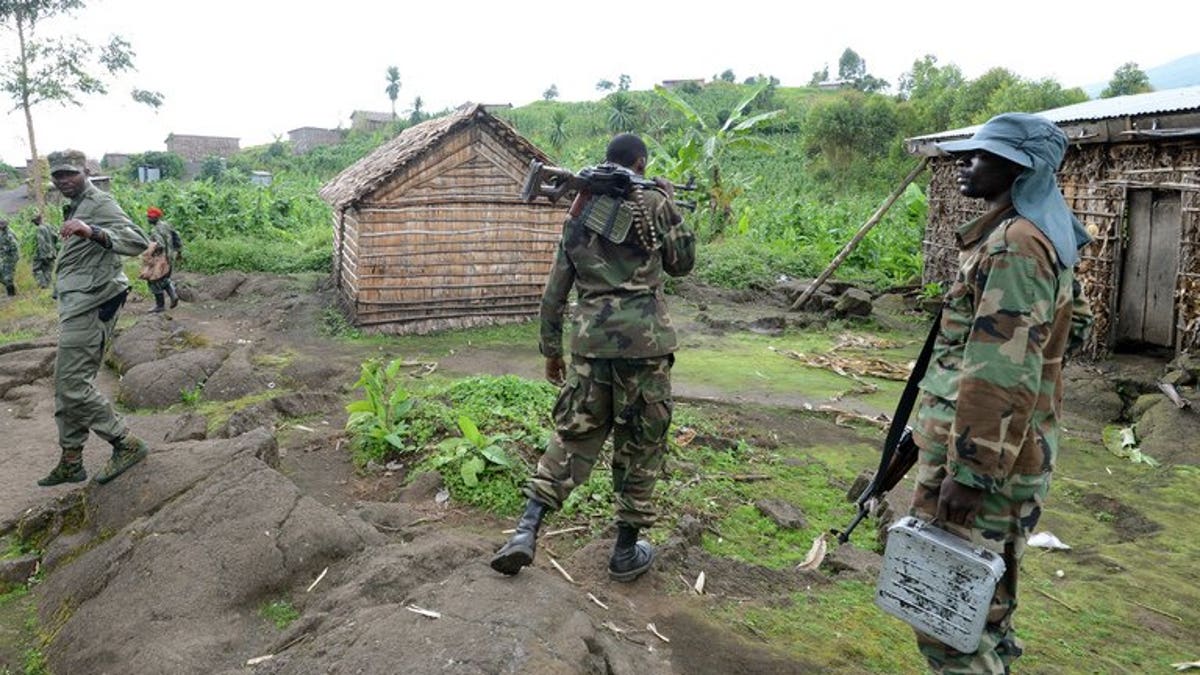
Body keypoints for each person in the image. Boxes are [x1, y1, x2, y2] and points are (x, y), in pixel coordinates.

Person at [909, 113, 1094, 672]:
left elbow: (999, 371)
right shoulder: (1044, 233)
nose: (966, 162)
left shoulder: (1017, 242)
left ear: (1023, 167)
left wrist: (971, 472)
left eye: (982, 154)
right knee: (986, 610)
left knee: (946, 618)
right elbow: (1074, 325)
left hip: (987, 465)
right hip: (1018, 450)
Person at [490, 133, 695, 582]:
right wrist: (670, 202)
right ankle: (624, 553)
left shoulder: (578, 208)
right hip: (645, 347)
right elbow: (683, 263)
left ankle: (525, 532)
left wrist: (551, 350)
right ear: (640, 163)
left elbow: (554, 291)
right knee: (642, 444)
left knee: (572, 435)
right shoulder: (655, 203)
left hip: (589, 347)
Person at [38, 149, 151, 487]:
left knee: (72, 386)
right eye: (58, 175)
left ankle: (125, 443)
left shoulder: (99, 203)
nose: (64, 180)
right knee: (66, 385)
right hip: (76, 304)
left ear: (85, 171)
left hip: (93, 303)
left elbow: (137, 241)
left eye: (70, 173)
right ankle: (71, 460)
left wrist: (92, 231)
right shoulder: (74, 205)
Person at [144, 206, 180, 312]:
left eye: (150, 217)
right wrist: (179, 251)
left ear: (155, 218)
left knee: (153, 280)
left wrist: (150, 251)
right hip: (170, 257)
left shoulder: (155, 231)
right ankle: (173, 295)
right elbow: (176, 237)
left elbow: (159, 245)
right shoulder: (167, 225)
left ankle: (160, 306)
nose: (148, 219)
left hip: (160, 258)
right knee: (164, 278)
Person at [32, 213, 59, 289]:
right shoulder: (49, 226)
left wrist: (43, 255)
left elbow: (41, 243)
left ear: (36, 221)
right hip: (51, 252)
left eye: (34, 221)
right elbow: (56, 237)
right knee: (48, 270)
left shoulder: (40, 229)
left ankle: (43, 285)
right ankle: (48, 286)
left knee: (36, 269)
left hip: (43, 253)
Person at [0, 218, 17, 297]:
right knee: (2, 275)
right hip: (5, 257)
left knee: (8, 276)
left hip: (10, 258)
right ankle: (11, 289)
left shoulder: (9, 234)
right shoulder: (3, 233)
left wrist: (3, 248)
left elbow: (14, 247)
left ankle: (11, 294)